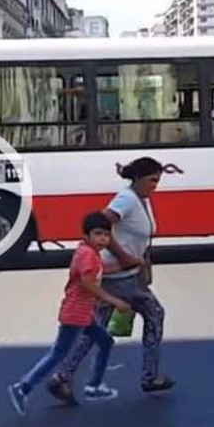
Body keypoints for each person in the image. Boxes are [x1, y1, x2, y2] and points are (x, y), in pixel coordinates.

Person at [46, 157, 177, 402]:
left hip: (129, 276)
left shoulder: (140, 199)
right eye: (151, 180)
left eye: (158, 180)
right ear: (137, 178)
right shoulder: (127, 199)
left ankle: (63, 377)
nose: (155, 185)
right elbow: (102, 222)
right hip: (116, 277)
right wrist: (124, 256)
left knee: (101, 328)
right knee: (151, 315)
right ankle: (149, 377)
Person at [8, 212, 128, 415]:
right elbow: (87, 283)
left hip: (84, 313)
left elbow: (96, 273)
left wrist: (123, 265)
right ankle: (23, 388)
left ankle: (94, 386)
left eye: (106, 235)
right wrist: (114, 300)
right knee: (58, 354)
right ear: (86, 236)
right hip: (75, 314)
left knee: (106, 341)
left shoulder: (88, 253)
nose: (103, 239)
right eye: (98, 234)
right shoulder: (89, 255)